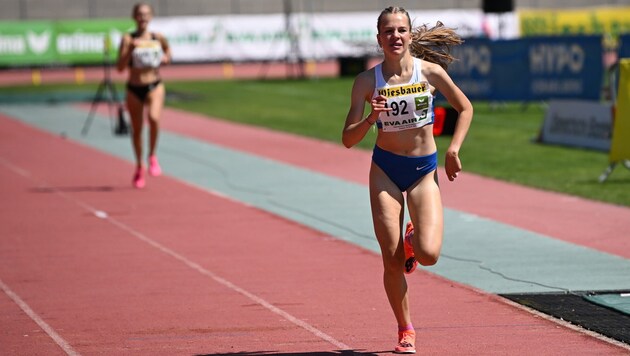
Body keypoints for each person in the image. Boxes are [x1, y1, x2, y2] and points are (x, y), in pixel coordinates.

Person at [341, 7, 473, 354]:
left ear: (410, 36)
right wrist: (372, 118)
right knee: (391, 260)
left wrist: (453, 149)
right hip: (385, 170)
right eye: (388, 31)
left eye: (401, 30)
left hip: (423, 171)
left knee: (428, 255)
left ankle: (413, 239)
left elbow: (465, 107)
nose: (395, 36)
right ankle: (406, 329)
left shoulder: (429, 72)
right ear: (379, 38)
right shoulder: (366, 82)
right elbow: (347, 139)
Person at [117, 2, 171, 189]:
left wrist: (166, 58)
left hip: (154, 85)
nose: (143, 18)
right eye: (139, 14)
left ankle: (152, 156)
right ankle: (140, 165)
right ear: (134, 17)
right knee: (137, 129)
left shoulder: (158, 37)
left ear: (151, 17)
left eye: (146, 14)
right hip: (134, 87)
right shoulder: (127, 38)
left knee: (154, 118)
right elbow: (120, 67)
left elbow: (168, 51)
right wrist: (131, 49)